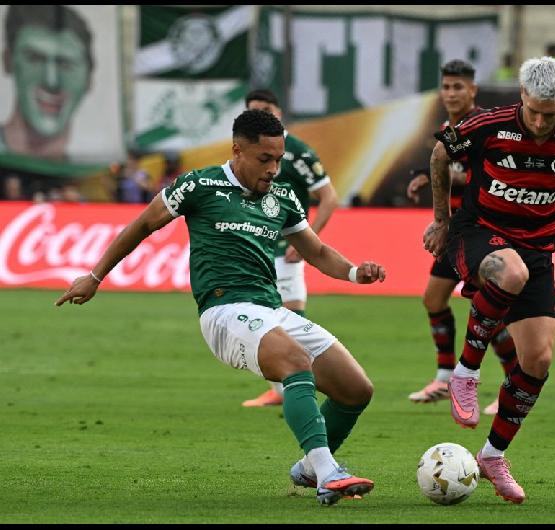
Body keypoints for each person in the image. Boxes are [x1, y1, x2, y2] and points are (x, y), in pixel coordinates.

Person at [55, 109, 386, 506]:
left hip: (272, 309)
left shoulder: (281, 197)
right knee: (295, 361)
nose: (274, 169)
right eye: (265, 160)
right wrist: (94, 276)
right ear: (237, 151)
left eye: (279, 159)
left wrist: (353, 273)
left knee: (356, 390)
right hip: (225, 311)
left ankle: (312, 465)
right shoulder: (199, 185)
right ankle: (328, 473)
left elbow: (315, 251)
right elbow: (143, 224)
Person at [423, 57, 555, 504]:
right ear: (522, 96)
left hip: (537, 251)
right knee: (508, 271)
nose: (538, 121)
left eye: (548, 114)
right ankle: (464, 373)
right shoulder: (488, 125)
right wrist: (441, 219)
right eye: (532, 110)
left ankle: (493, 456)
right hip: (477, 233)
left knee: (537, 360)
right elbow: (441, 153)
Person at [406, 60, 517, 416]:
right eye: (447, 87)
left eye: (458, 87)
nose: (451, 93)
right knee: (433, 299)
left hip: (479, 234)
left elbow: (482, 176)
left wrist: (442, 178)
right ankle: (442, 375)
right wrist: (427, 173)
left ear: (473, 90)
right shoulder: (446, 128)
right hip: (452, 236)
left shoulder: (485, 128)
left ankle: (512, 385)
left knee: (489, 312)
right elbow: (450, 166)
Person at [240, 89, 340, 408]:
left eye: (267, 110)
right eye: (255, 111)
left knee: (291, 317)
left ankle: (299, 385)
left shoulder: (296, 152)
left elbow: (329, 197)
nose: (263, 116)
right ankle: (283, 388)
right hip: (256, 246)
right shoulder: (243, 152)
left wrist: (309, 238)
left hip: (286, 247)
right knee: (264, 318)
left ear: (280, 112)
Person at [0, 5, 93, 159]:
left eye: (65, 64)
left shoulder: (96, 168)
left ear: (89, 79)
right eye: (34, 59)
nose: (51, 81)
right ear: (8, 61)